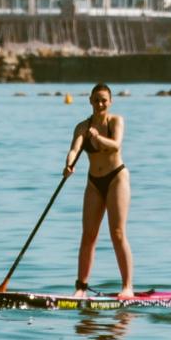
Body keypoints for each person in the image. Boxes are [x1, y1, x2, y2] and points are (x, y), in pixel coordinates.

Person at [63, 83, 134, 299]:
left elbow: (115, 145)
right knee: (88, 235)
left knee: (118, 233)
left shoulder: (116, 121)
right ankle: (81, 288)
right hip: (94, 182)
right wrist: (68, 164)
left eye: (104, 100)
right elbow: (74, 149)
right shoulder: (82, 127)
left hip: (116, 178)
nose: (100, 104)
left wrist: (96, 137)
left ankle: (127, 287)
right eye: (96, 100)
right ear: (90, 101)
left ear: (110, 102)